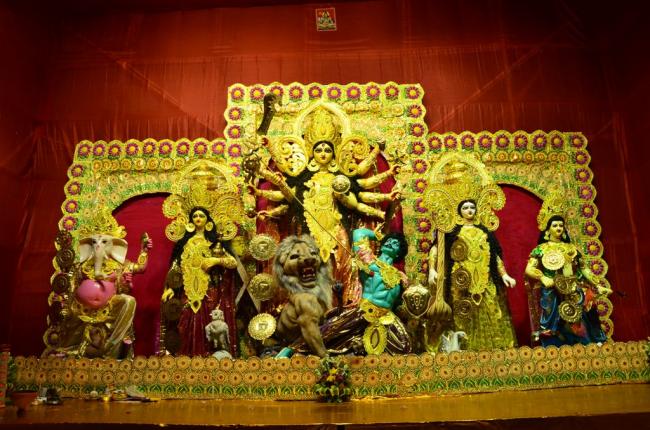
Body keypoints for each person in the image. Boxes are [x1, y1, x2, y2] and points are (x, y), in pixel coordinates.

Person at [249, 107, 401, 308]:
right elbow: (285, 198)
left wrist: (385, 190)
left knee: (343, 267)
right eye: (319, 149)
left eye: (327, 149)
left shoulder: (344, 177)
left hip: (337, 229)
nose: (323, 153)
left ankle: (344, 306)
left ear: (334, 151)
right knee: (307, 268)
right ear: (311, 151)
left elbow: (361, 196)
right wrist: (262, 194)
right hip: (308, 229)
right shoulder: (300, 177)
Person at [278, 227, 411, 357]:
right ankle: (291, 349)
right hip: (365, 311)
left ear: (399, 253)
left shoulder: (400, 276)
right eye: (389, 241)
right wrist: (381, 237)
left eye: (395, 244)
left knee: (404, 346)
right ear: (382, 245)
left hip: (386, 317)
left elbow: (398, 302)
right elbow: (359, 233)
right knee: (331, 332)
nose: (390, 243)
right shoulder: (370, 262)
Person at [427, 199, 517, 350]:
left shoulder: (484, 232)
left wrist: (504, 274)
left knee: (493, 311)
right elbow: (436, 249)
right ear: (459, 212)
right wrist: (432, 269)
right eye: (465, 208)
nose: (469, 210)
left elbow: (493, 255)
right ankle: (465, 349)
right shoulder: (453, 232)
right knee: (462, 315)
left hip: (485, 278)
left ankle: (495, 349)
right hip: (460, 280)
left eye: (472, 207)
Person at [161, 207, 238, 356]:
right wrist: (170, 288)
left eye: (201, 216)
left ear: (208, 220)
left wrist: (216, 260)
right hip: (187, 290)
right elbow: (176, 268)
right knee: (184, 321)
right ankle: (185, 358)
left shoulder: (214, 242)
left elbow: (233, 262)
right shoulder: (184, 243)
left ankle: (210, 357)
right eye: (195, 216)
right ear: (190, 221)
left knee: (210, 323)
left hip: (209, 290)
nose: (198, 218)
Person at [525, 215, 611, 346]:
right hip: (551, 288)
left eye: (561, 225)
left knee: (583, 312)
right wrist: (543, 277)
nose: (558, 228)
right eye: (555, 225)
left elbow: (584, 269)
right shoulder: (541, 249)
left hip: (572, 287)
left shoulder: (571, 248)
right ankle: (552, 345)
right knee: (550, 317)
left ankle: (586, 342)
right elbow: (529, 269)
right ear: (548, 230)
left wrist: (598, 285)